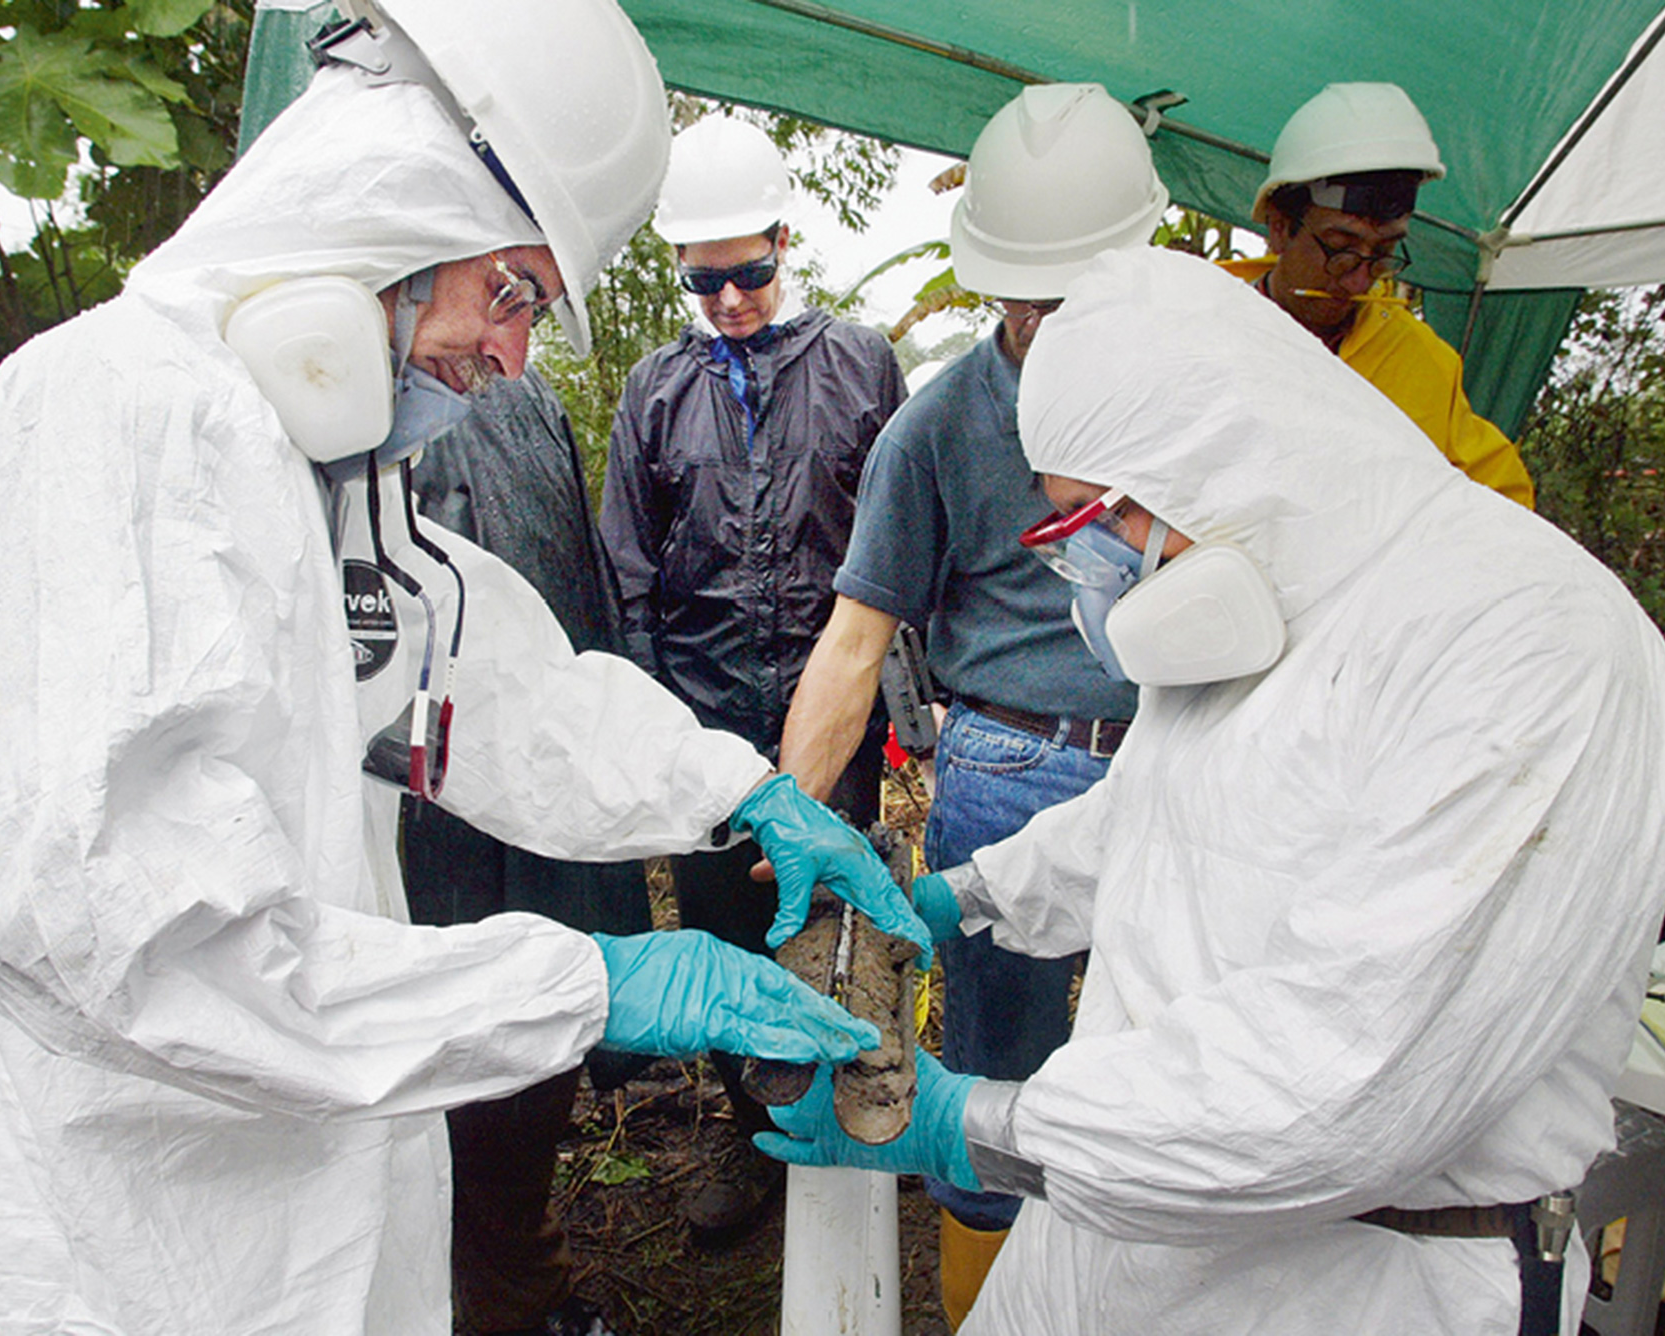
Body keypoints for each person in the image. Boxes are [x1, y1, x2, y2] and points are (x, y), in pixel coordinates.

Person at [0, 3, 928, 1331]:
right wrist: (587, 983)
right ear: (386, 210)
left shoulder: (305, 472)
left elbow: (483, 690)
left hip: (340, 1165)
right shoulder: (104, 429)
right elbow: (143, 951)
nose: (509, 358)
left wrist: (738, 794)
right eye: (511, 292)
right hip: (196, 1239)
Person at [756, 245, 1665, 1335]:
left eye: (1098, 522)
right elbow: (1150, 823)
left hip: (1357, 1278)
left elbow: (1331, 1086)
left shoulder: (1532, 651)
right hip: (1124, 1226)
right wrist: (954, 898)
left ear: (1208, 453)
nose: (1096, 568)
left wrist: (965, 1123)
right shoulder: (1263, 594)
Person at [774, 83, 1165, 1325]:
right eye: (1027, 300)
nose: (1049, 325)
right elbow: (853, 643)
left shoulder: (1189, 394)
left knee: (1171, 1064)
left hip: (1177, 749)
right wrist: (794, 820)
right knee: (1001, 1081)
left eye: (1078, 299)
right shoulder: (936, 428)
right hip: (1010, 759)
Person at [599, 113, 909, 1236]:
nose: (729, 299)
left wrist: (903, 702)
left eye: (751, 272)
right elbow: (626, 573)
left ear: (785, 242)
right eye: (704, 280)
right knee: (728, 930)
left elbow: (898, 545)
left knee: (838, 911)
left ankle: (862, 1102)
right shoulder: (652, 392)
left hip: (831, 708)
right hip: (705, 721)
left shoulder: (859, 362)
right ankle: (750, 1132)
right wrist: (650, 734)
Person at [396, 369, 651, 1336]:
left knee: (538, 1051)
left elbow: (582, 586)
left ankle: (520, 1279)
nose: (505, 339)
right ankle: (494, 1297)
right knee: (453, 1065)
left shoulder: (524, 397)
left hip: (548, 794)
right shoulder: (339, 412)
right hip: (427, 822)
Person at [1220, 82, 1536, 507]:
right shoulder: (1202, 320)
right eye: (1340, 248)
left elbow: (1507, 504)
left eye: (1383, 253)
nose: (1358, 281)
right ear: (1279, 226)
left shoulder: (1423, 364)